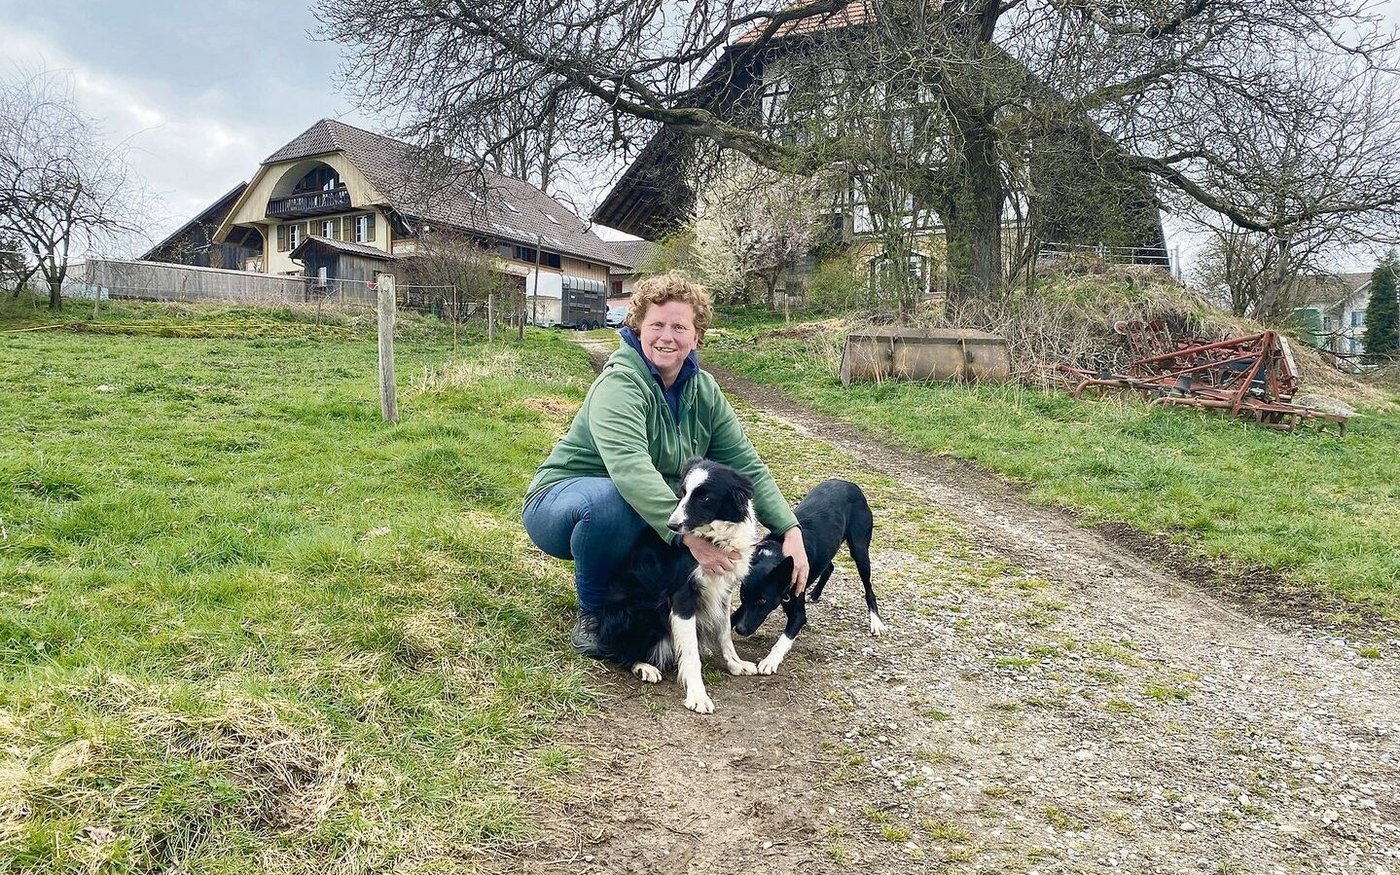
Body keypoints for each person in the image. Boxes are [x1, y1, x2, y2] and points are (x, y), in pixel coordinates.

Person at [522, 272, 810, 656]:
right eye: (656, 324)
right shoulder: (620, 383)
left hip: (635, 510)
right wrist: (688, 537)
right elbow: (630, 469)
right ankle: (592, 613)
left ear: (697, 337)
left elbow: (746, 464)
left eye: (679, 327)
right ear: (638, 326)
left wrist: (789, 528)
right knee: (612, 503)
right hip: (563, 504)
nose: (666, 336)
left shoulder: (704, 390)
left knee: (652, 518)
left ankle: (641, 608)